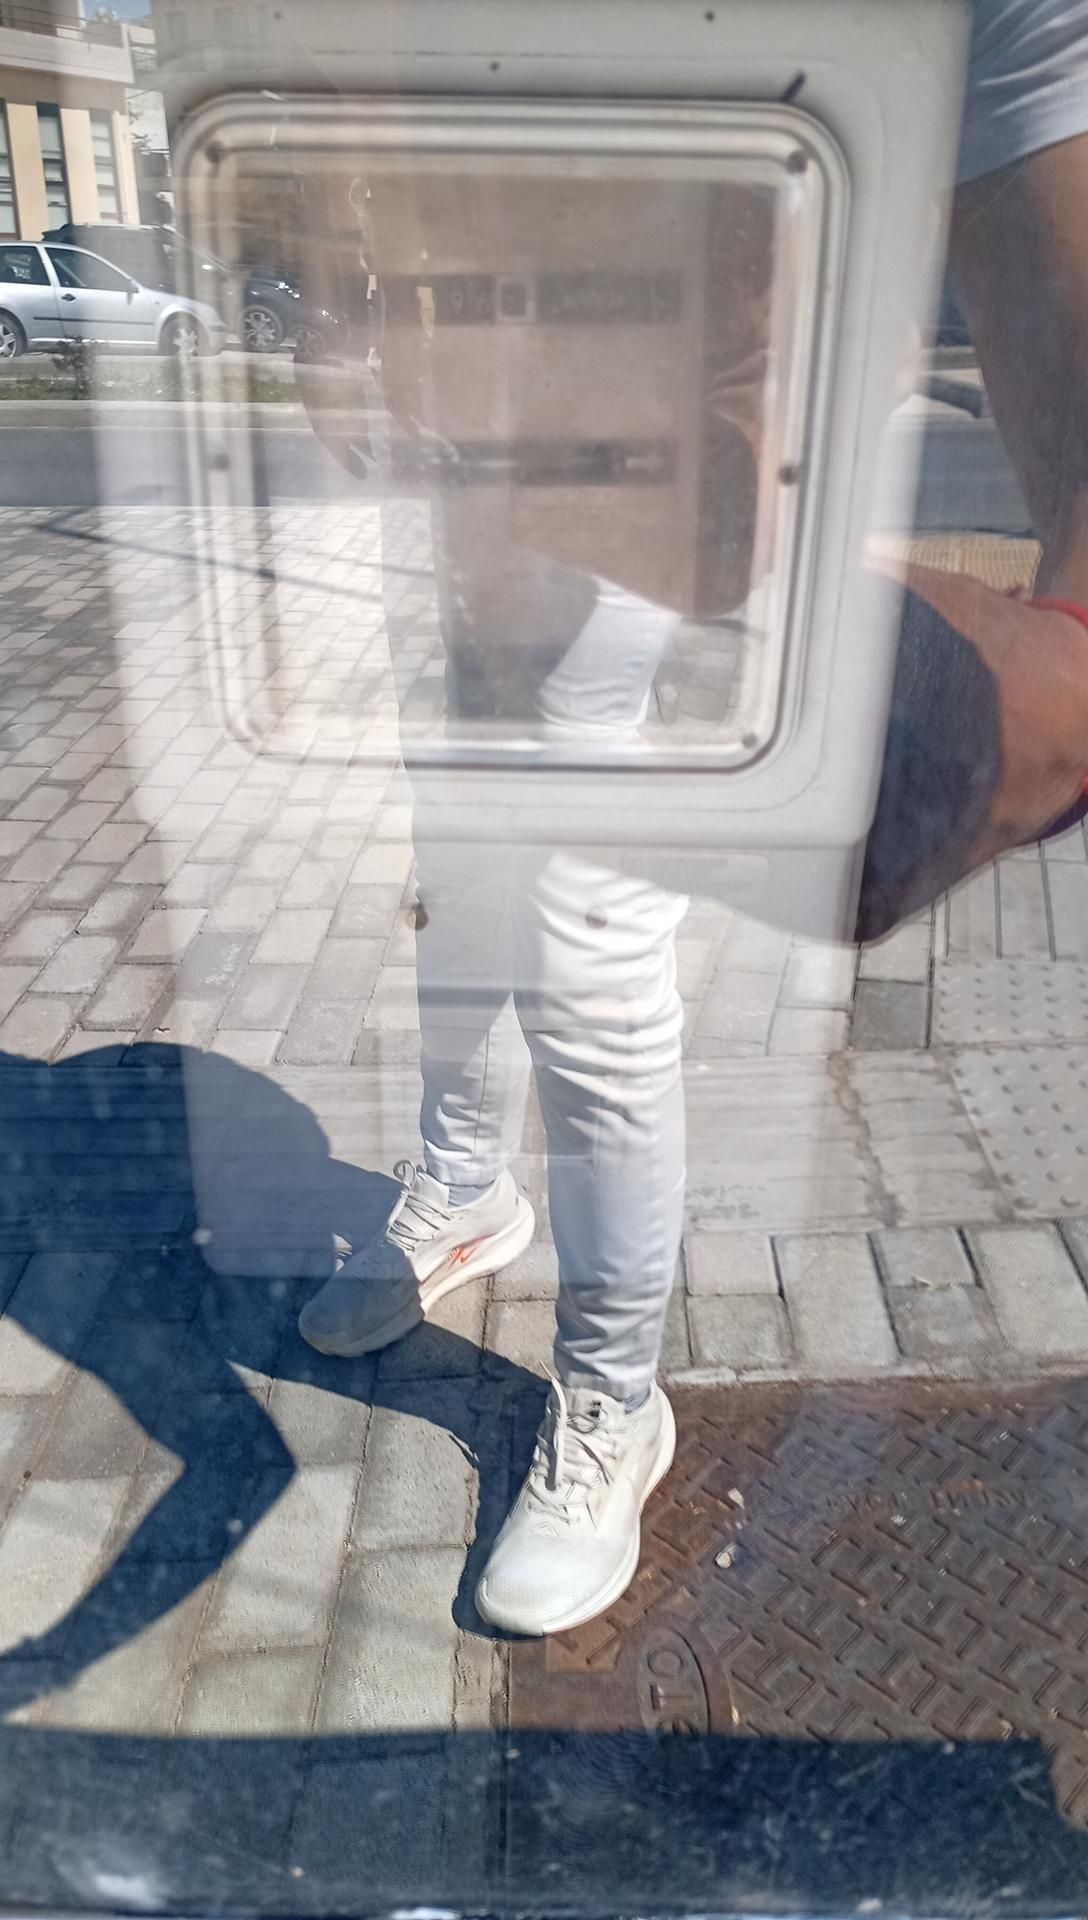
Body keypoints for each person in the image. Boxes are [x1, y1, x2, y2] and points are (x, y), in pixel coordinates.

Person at [299, 0, 1088, 1638]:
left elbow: (1041, 126)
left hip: (668, 467)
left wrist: (1074, 648)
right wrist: (334, 304)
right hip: (463, 456)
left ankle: (612, 1395)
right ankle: (463, 1189)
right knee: (459, 870)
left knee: (584, 939)